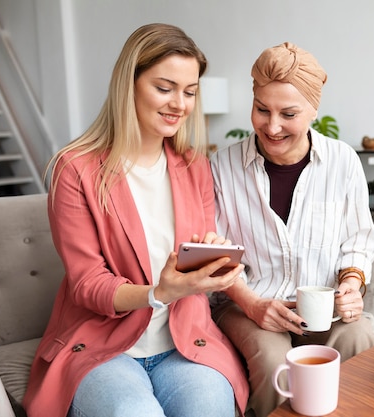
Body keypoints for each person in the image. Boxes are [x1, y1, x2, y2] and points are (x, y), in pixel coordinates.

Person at [23, 23, 249, 417]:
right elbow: (87, 284)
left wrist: (211, 259)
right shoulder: (75, 169)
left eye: (190, 92)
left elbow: (196, 255)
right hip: (103, 348)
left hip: (185, 342)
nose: (179, 104)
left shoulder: (194, 165)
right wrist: (158, 293)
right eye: (164, 88)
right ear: (128, 84)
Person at [210, 42, 374, 417]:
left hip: (323, 309)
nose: (272, 126)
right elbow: (217, 253)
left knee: (361, 334)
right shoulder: (222, 167)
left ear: (314, 111)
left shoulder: (342, 162)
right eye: (261, 110)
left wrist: (351, 285)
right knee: (276, 365)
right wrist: (253, 305)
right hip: (249, 305)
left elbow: (357, 240)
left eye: (288, 113)